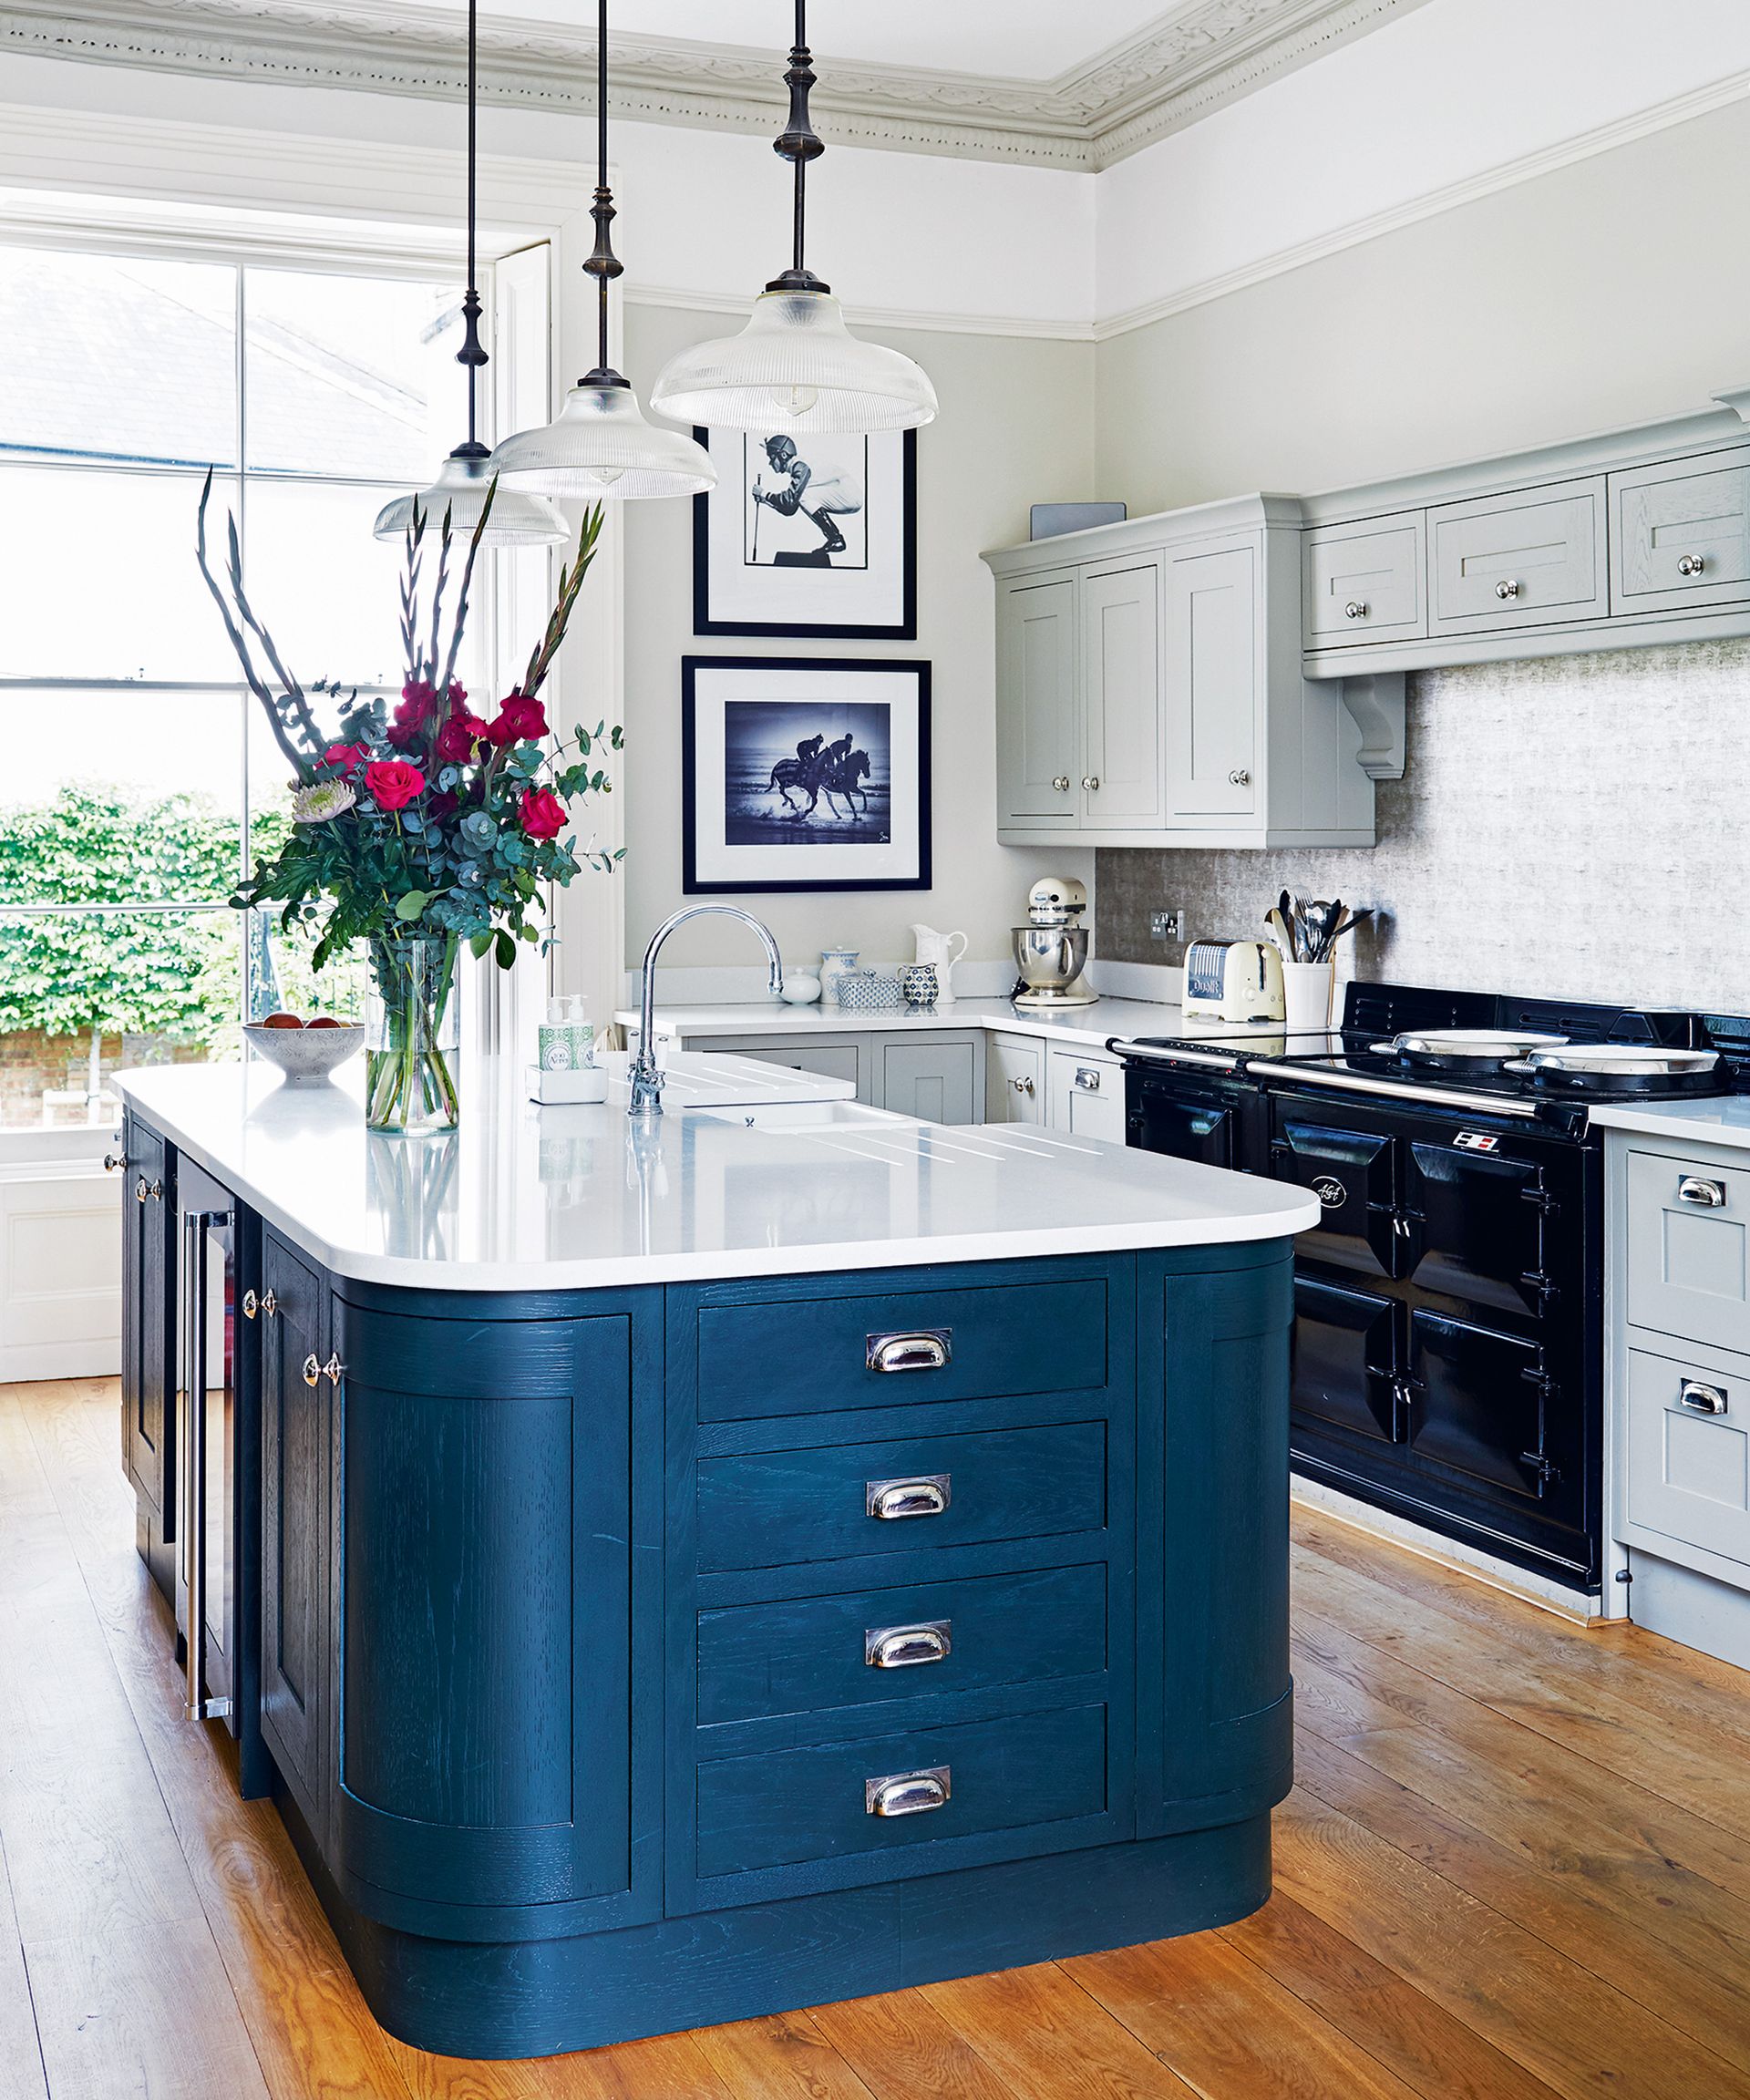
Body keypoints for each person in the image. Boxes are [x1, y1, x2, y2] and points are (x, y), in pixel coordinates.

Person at [755, 435, 864, 558]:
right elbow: (790, 509)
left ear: (783, 455)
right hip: (846, 494)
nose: (770, 463)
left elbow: (789, 500)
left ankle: (836, 539)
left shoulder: (800, 466)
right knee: (803, 496)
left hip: (849, 494)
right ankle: (835, 539)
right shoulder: (798, 467)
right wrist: (766, 501)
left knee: (803, 495)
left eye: (772, 458)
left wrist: (764, 493)